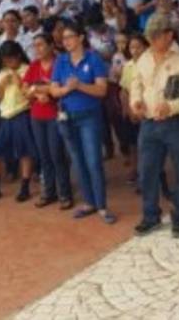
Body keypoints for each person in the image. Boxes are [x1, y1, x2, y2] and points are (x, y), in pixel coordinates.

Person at [130, 13, 179, 239]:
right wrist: (136, 100)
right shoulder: (144, 57)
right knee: (147, 170)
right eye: (149, 37)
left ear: (169, 35)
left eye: (155, 37)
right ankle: (150, 215)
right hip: (149, 123)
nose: (151, 42)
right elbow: (136, 82)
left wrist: (172, 106)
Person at [51, 22, 115, 224]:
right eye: (64, 38)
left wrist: (79, 85)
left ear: (80, 38)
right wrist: (66, 90)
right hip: (67, 116)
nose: (66, 41)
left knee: (93, 160)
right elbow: (54, 89)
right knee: (77, 161)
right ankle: (89, 202)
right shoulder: (61, 60)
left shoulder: (93, 58)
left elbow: (102, 90)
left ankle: (102, 205)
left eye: (70, 37)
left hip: (89, 115)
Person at [23, 33, 72, 209]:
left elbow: (63, 87)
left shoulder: (60, 63)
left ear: (51, 45)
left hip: (55, 114)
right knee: (44, 155)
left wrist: (44, 90)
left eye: (41, 45)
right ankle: (49, 191)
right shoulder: (34, 65)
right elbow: (24, 89)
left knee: (57, 154)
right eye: (35, 46)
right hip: (37, 114)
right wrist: (37, 93)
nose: (37, 49)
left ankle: (65, 192)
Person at [0, 41, 36, 203]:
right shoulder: (3, 72)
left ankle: (25, 188)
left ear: (18, 56)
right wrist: (2, 84)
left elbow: (30, 94)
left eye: (10, 59)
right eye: (5, 61)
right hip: (5, 116)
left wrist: (17, 80)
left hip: (21, 113)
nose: (8, 63)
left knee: (24, 153)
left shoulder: (27, 69)